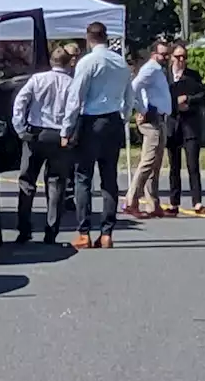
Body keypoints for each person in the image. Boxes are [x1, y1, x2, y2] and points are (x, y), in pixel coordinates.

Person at [60, 22, 135, 250]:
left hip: (91, 121)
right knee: (109, 178)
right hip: (113, 119)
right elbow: (129, 95)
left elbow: (76, 98)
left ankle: (84, 232)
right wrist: (124, 117)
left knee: (83, 177)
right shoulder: (120, 62)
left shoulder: (88, 62)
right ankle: (107, 233)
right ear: (106, 37)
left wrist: (67, 129)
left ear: (88, 38)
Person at [11, 45, 75, 244]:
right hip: (59, 136)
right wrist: (69, 131)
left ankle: (24, 229)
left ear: (51, 61)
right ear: (67, 63)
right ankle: (51, 230)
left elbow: (20, 101)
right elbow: (74, 109)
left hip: (36, 134)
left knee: (27, 182)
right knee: (55, 183)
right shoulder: (72, 84)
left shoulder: (37, 79)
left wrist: (19, 126)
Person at [123, 40, 172, 218]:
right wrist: (141, 109)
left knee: (156, 163)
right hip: (152, 119)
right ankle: (131, 200)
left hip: (160, 119)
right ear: (153, 54)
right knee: (148, 161)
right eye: (162, 54)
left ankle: (153, 203)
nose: (165, 58)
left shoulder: (159, 71)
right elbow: (134, 87)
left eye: (167, 54)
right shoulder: (150, 69)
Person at [165, 44, 205, 215]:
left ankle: (197, 202)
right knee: (174, 167)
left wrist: (188, 99)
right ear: (171, 58)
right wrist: (175, 104)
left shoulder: (193, 76)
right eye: (177, 57)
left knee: (193, 165)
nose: (181, 60)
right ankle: (174, 203)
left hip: (190, 126)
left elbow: (203, 95)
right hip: (172, 125)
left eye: (184, 57)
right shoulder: (165, 77)